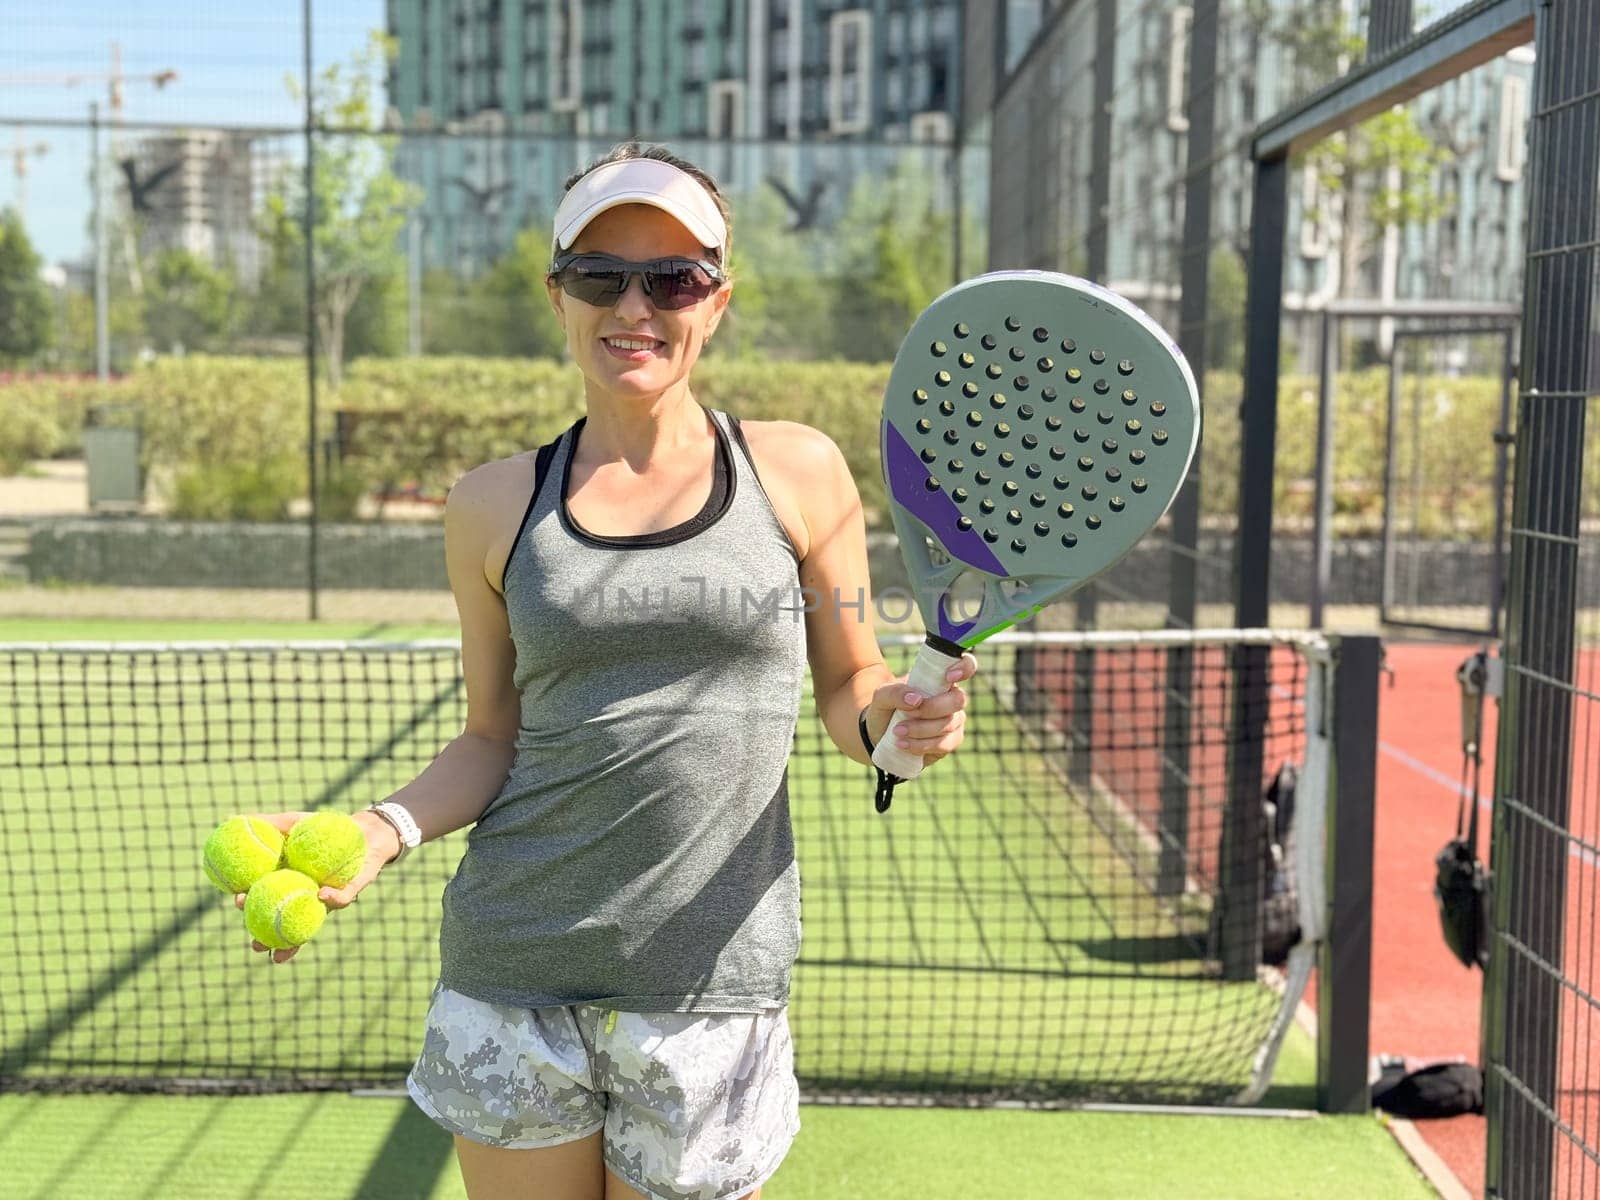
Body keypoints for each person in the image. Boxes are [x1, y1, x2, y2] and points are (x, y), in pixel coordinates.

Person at [237, 141, 978, 1200]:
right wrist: (379, 830)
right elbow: (492, 733)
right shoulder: (490, 503)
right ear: (558, 295)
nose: (635, 305)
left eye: (673, 278)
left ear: (716, 302)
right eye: (600, 275)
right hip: (513, 970)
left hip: (710, 984)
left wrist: (895, 729)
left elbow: (848, 681)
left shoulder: (799, 470)